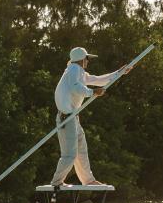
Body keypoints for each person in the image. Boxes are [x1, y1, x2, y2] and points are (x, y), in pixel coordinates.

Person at [50, 47, 132, 187]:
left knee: (81, 150)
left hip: (72, 117)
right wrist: (92, 92)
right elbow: (75, 87)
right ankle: (57, 182)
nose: (88, 61)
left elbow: (98, 80)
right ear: (82, 59)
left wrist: (119, 73)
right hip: (67, 118)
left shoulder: (78, 72)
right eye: (87, 58)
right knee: (70, 153)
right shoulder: (74, 69)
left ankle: (88, 180)